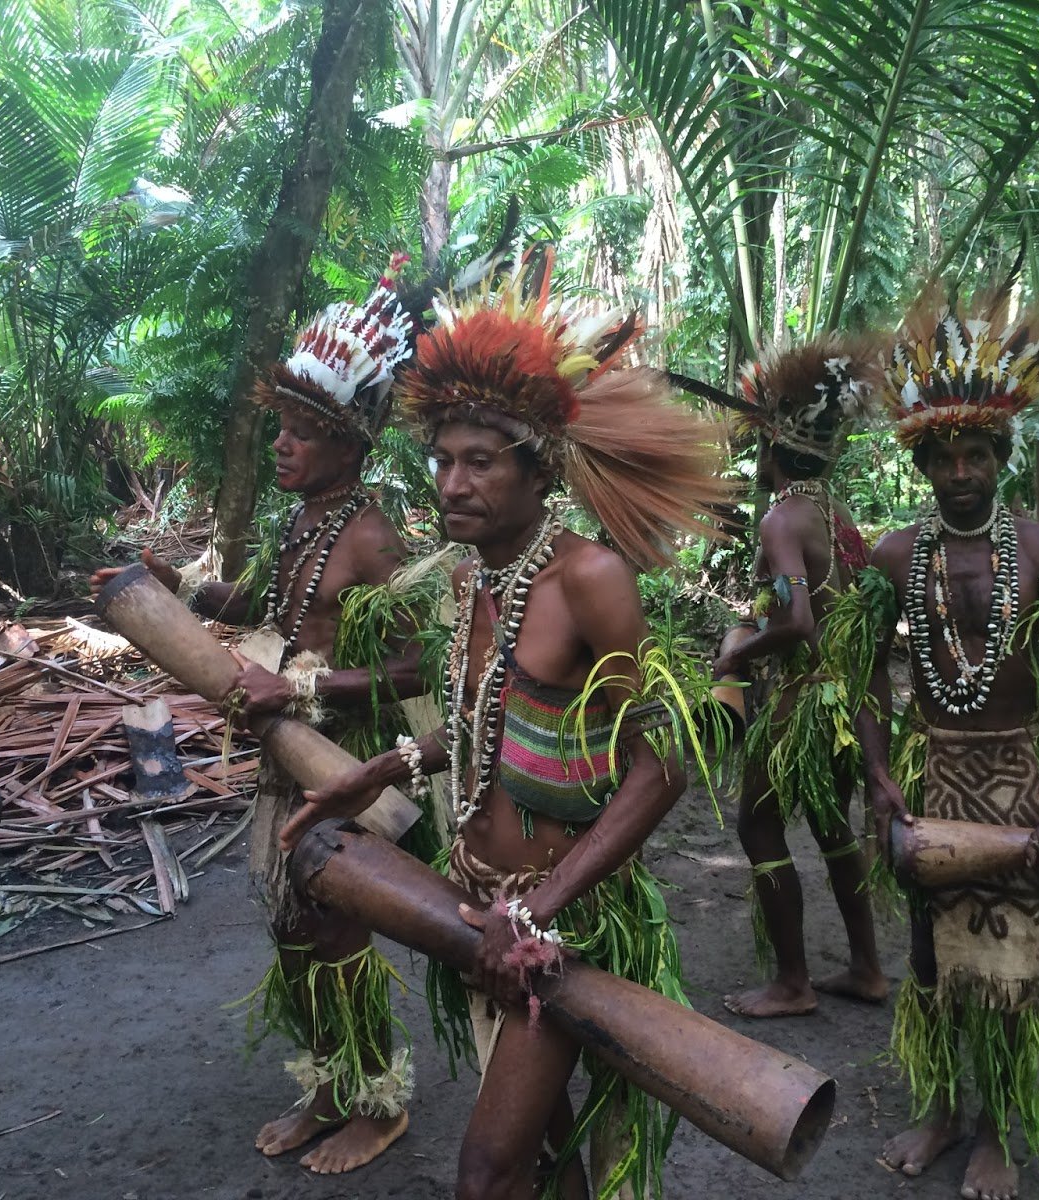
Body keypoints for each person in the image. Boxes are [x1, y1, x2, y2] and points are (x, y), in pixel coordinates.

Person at [281, 253, 732, 1198]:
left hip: (559, 922)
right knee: (541, 1150)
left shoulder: (590, 581)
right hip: (479, 900)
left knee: (486, 1173)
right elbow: (495, 723)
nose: (451, 483)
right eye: (442, 460)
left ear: (540, 471)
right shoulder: (469, 578)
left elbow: (660, 770)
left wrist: (542, 906)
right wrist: (385, 768)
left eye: (479, 462)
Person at [90, 256, 443, 1176]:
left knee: (335, 928)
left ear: (350, 444)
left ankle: (378, 1099)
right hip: (289, 748)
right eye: (279, 428)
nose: (281, 445)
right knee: (291, 926)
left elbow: (413, 662)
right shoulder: (306, 522)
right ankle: (329, 1086)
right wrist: (188, 591)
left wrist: (305, 693)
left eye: (300, 432)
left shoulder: (369, 534)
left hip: (346, 760)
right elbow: (275, 609)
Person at [857, 297, 1039, 1200]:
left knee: (1009, 963)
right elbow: (858, 675)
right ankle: (939, 1108)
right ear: (924, 463)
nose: (962, 471)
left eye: (978, 455)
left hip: (1017, 771)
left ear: (1002, 460)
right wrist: (880, 775)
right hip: (933, 771)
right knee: (931, 956)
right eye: (945, 457)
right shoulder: (897, 558)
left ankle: (997, 1131)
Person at [712, 337, 892, 1018]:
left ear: (772, 448)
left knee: (758, 829)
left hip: (803, 703)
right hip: (844, 703)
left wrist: (735, 656)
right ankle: (868, 967)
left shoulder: (782, 517)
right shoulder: (835, 515)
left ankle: (792, 981)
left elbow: (799, 620)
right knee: (832, 828)